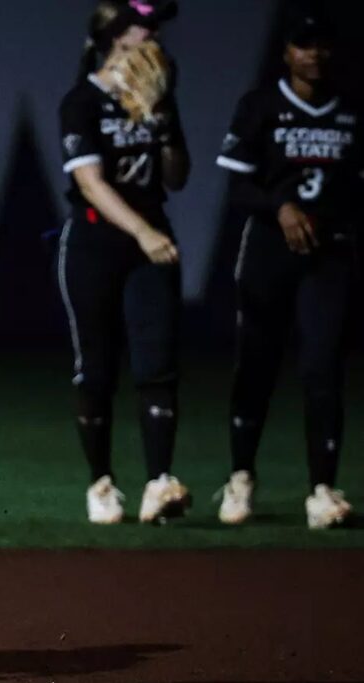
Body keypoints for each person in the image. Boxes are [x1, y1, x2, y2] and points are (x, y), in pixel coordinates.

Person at [214, 12, 359, 529]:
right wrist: (280, 206)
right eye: (303, 46)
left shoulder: (349, 110)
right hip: (269, 253)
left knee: (322, 368)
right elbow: (237, 186)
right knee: (256, 364)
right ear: (286, 53)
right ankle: (240, 478)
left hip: (330, 255)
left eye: (322, 45)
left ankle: (321, 489)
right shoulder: (261, 107)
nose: (313, 55)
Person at [56, 0, 191, 525]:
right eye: (144, 25)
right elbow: (90, 183)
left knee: (157, 364)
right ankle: (102, 485)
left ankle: (160, 482)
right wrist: (143, 232)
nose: (154, 33)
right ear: (114, 35)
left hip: (152, 241)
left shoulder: (157, 94)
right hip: (95, 245)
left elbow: (177, 176)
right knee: (96, 367)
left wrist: (163, 121)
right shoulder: (81, 102)